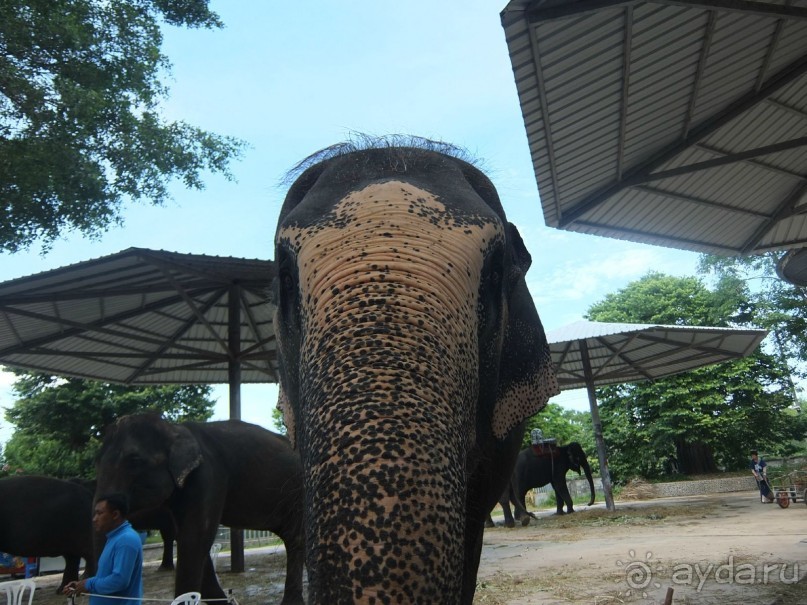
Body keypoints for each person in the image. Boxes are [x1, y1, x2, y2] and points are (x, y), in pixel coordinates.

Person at [63, 493, 144, 605]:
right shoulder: (114, 537)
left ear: (115, 514)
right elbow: (106, 576)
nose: (94, 519)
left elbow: (119, 581)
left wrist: (89, 584)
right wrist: (80, 586)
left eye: (99, 513)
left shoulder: (126, 540)